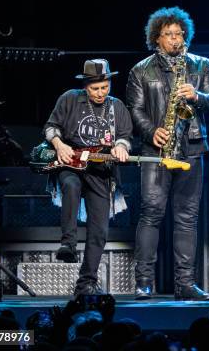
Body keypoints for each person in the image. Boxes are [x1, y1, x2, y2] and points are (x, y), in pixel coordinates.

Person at [126, 6, 209, 301]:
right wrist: (151, 131)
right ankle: (144, 283)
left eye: (179, 34)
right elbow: (135, 110)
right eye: (168, 34)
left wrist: (197, 97)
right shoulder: (140, 70)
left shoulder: (201, 65)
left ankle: (186, 284)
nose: (175, 40)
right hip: (157, 151)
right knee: (151, 214)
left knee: (187, 218)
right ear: (156, 38)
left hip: (191, 147)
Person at [43, 59, 133, 295]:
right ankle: (68, 244)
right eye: (95, 88)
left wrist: (121, 147)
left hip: (100, 170)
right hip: (71, 163)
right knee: (71, 186)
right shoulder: (69, 98)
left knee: (99, 230)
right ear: (85, 86)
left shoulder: (117, 107)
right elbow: (50, 127)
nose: (101, 93)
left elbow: (124, 136)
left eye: (104, 87)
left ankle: (86, 282)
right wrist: (59, 144)